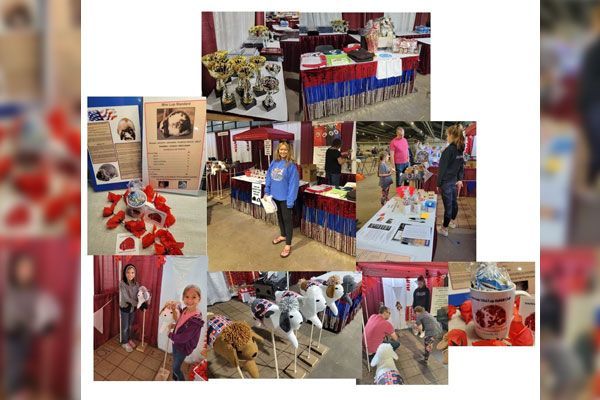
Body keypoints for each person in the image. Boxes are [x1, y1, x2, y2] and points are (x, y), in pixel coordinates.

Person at [265, 141, 300, 258]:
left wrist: (290, 201)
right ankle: (283, 235)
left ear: (289, 151)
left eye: (285, 149)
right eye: (281, 149)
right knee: (279, 217)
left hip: (285, 198)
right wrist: (267, 191)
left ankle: (288, 244)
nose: (283, 151)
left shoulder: (291, 166)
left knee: (287, 220)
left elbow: (293, 185)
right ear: (278, 151)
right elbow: (268, 178)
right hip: (274, 197)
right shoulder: (274, 162)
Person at [167, 285, 204, 381]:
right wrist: (174, 326)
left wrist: (170, 335)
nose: (190, 300)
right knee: (175, 361)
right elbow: (179, 321)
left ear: (199, 299)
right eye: (187, 297)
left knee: (176, 367)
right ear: (183, 298)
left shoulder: (196, 320)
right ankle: (175, 377)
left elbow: (184, 337)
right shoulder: (185, 310)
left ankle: (180, 379)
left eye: (194, 297)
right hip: (176, 343)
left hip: (183, 347)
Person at [436, 124, 465, 237]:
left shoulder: (448, 151)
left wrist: (438, 184)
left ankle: (444, 229)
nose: (446, 137)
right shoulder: (459, 149)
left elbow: (441, 170)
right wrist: (460, 179)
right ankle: (452, 222)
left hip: (446, 182)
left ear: (452, 136)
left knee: (448, 206)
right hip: (454, 181)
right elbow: (461, 166)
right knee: (454, 204)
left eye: (447, 135)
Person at [119, 263, 140, 352]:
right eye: (128, 272)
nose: (130, 275)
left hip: (133, 308)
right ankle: (124, 342)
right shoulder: (122, 283)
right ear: (125, 273)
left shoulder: (136, 284)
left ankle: (129, 339)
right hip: (125, 307)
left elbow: (138, 295)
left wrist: (143, 299)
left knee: (130, 326)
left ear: (135, 274)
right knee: (125, 327)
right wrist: (137, 304)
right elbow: (126, 297)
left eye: (132, 272)